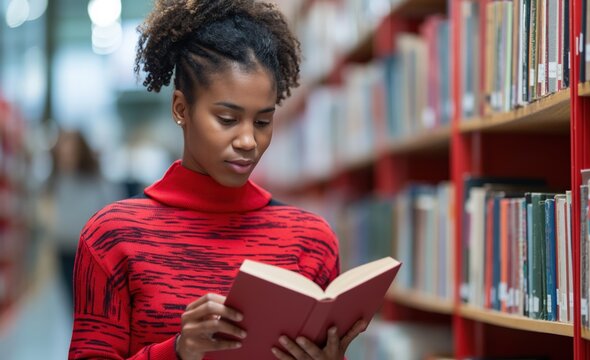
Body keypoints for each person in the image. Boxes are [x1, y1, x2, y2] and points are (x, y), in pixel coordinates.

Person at [68, 1, 367, 359]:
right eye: (227, 119)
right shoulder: (112, 236)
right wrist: (177, 351)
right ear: (181, 109)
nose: (248, 141)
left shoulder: (311, 240)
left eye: (262, 122)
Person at [40, 129, 124, 309]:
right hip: (63, 251)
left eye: (71, 150)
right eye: (62, 150)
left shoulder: (96, 180)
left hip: (90, 252)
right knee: (72, 303)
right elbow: (46, 212)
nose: (66, 155)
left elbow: (113, 209)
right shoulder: (54, 180)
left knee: (91, 302)